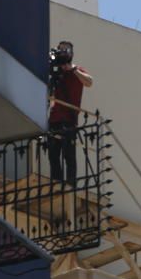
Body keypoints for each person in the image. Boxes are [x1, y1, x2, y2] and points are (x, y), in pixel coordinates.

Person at [47, 40, 93, 186]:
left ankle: (70, 185)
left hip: (69, 119)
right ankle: (56, 183)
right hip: (54, 118)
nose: (63, 53)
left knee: (69, 154)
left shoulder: (77, 70)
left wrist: (72, 70)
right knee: (53, 155)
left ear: (72, 54)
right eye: (60, 50)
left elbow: (89, 82)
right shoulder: (55, 71)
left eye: (66, 50)